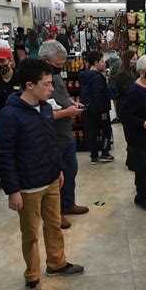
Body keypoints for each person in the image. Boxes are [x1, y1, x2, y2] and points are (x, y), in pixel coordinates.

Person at [0, 58, 84, 290]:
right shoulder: (10, 114)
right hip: (28, 187)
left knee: (54, 225)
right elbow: (4, 155)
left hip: (51, 180)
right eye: (46, 84)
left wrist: (58, 169)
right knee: (30, 234)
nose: (51, 88)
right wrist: (13, 190)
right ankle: (32, 275)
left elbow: (50, 142)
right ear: (29, 85)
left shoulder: (46, 108)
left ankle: (57, 263)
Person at [38, 40, 89, 229]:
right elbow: (40, 113)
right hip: (52, 138)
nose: (60, 68)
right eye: (58, 65)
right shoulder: (35, 81)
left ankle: (68, 204)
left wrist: (71, 104)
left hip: (66, 135)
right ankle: (55, 213)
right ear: (45, 60)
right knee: (54, 179)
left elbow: (62, 96)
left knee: (70, 172)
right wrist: (66, 113)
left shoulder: (54, 76)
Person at [119, 55, 146, 212]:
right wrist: (143, 123)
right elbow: (124, 114)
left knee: (145, 162)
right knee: (142, 164)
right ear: (142, 72)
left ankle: (144, 180)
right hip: (139, 137)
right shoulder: (135, 91)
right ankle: (140, 197)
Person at [79, 51, 114, 165]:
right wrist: (103, 111)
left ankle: (94, 156)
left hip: (88, 108)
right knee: (106, 131)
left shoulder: (84, 75)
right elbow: (98, 94)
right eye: (102, 61)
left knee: (92, 131)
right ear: (96, 62)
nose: (103, 63)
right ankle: (104, 153)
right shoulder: (97, 78)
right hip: (99, 109)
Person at [115, 50, 139, 171]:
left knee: (132, 135)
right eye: (133, 59)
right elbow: (129, 91)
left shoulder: (130, 71)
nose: (135, 61)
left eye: (136, 59)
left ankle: (130, 160)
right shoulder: (123, 73)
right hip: (125, 108)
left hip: (128, 107)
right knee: (131, 136)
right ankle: (132, 162)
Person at [105, 49, 122, 123]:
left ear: (117, 52)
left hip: (118, 84)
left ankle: (120, 116)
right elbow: (105, 68)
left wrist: (111, 76)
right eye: (110, 52)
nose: (112, 53)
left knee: (119, 101)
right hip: (111, 85)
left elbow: (120, 75)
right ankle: (117, 116)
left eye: (113, 52)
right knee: (115, 101)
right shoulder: (108, 60)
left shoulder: (120, 62)